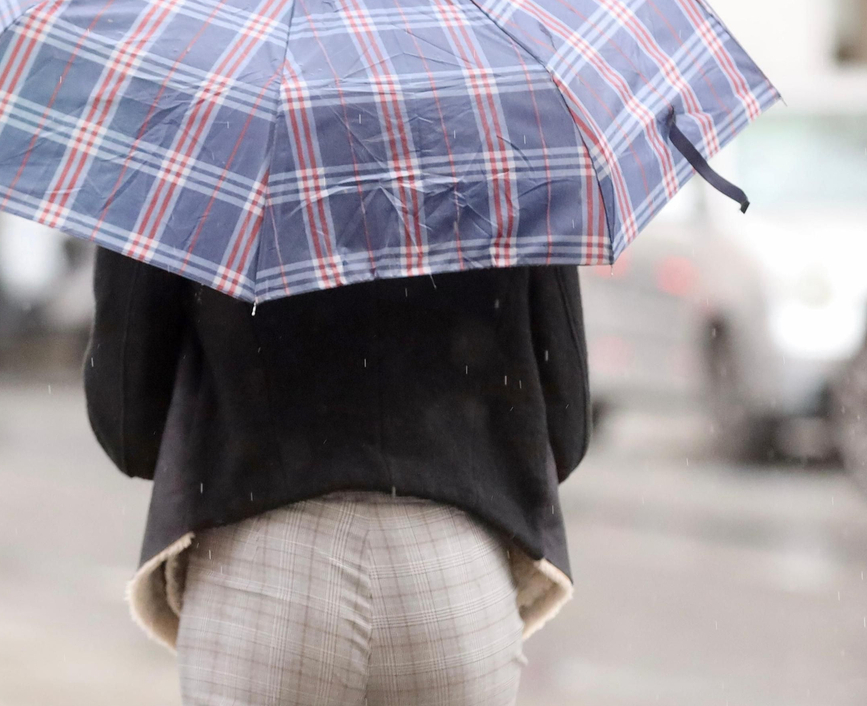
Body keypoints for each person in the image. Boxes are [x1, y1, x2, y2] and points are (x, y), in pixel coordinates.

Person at [83, 246, 591, 706]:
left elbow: (130, 430)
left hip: (259, 571)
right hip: (454, 577)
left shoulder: (182, 150)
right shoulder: (522, 148)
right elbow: (564, 429)